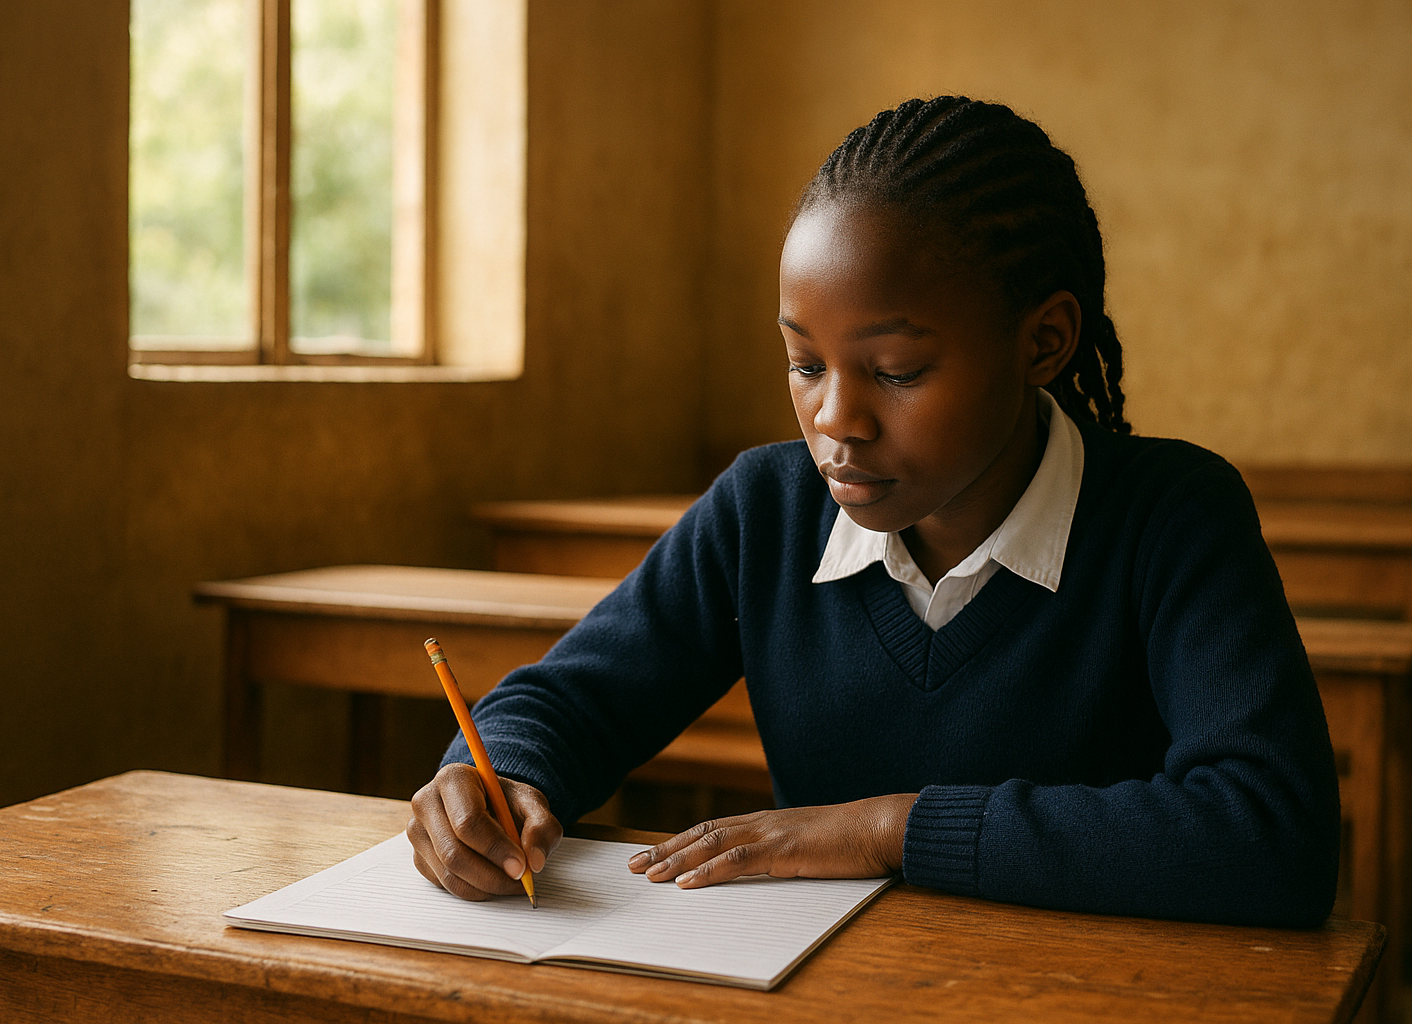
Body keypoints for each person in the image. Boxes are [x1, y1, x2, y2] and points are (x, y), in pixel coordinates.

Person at [407, 96, 1340, 928]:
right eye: (804, 364)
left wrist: (890, 828)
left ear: (1044, 342)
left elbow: (1269, 832)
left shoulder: (1171, 517)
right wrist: (498, 776)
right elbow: (576, 696)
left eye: (896, 372)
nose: (834, 421)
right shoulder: (766, 510)